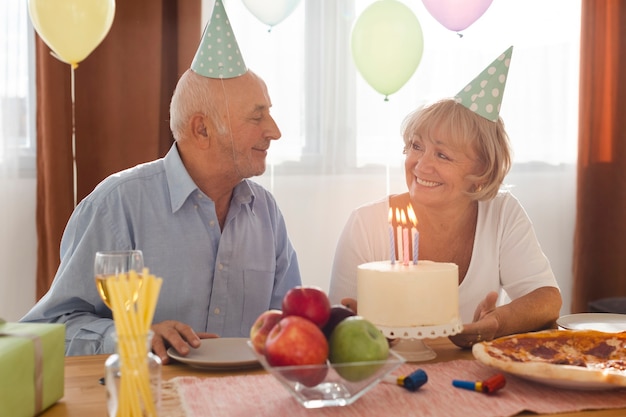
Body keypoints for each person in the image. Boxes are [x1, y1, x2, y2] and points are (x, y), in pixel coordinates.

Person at [21, 1, 301, 363]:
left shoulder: (266, 212)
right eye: (257, 116)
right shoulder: (116, 206)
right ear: (202, 129)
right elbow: (51, 328)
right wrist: (131, 336)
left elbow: (291, 324)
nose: (274, 132)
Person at [329, 46, 562, 348]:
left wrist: (496, 323)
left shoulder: (502, 213)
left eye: (442, 154)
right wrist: (367, 328)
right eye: (416, 146)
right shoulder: (366, 223)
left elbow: (546, 298)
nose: (421, 165)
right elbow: (337, 325)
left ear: (481, 170)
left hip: (472, 375)